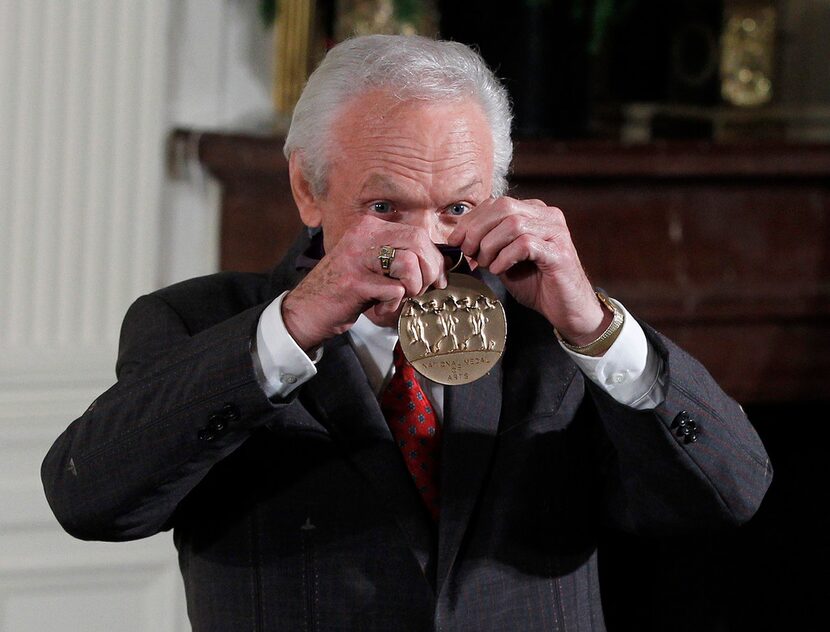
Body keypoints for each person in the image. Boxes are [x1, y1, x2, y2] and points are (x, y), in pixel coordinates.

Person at [42, 35, 772, 631]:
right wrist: (292, 328)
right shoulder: (195, 323)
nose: (425, 248)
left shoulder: (557, 334)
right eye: (386, 206)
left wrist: (593, 324)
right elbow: (90, 500)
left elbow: (734, 492)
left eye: (458, 207)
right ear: (307, 186)